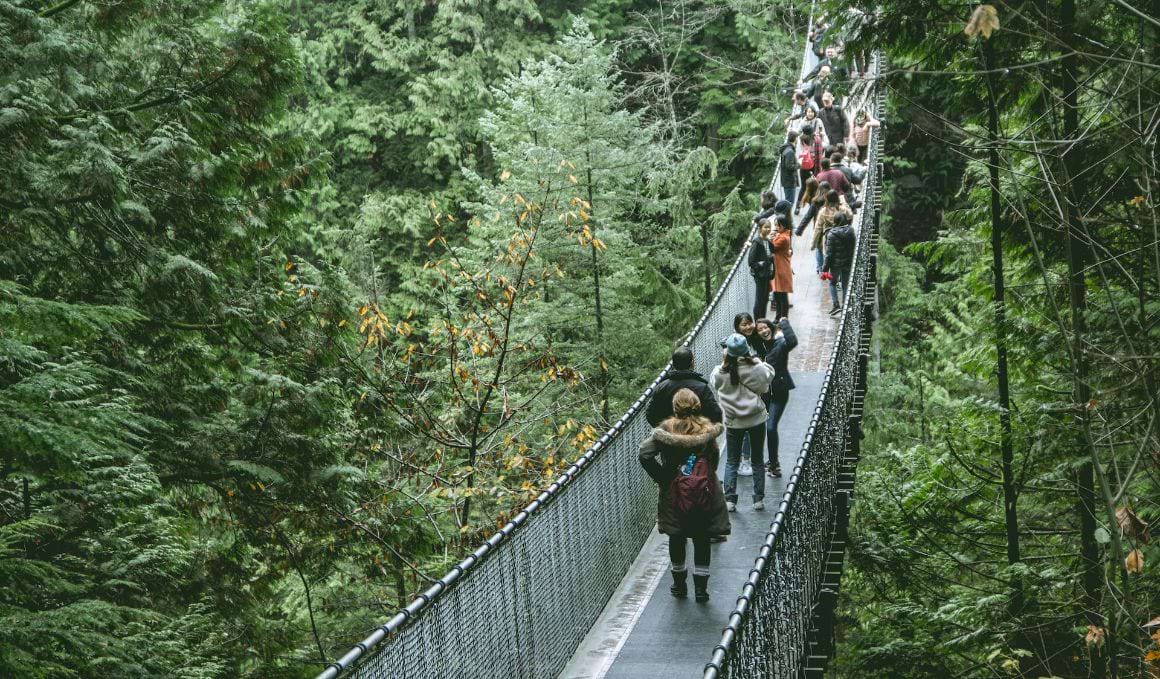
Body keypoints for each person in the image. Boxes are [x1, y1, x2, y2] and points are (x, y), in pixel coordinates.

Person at [638, 388, 729, 603]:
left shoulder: (666, 430)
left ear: (675, 407)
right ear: (697, 405)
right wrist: (704, 475)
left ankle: (679, 586)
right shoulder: (707, 429)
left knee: (677, 536)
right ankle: (701, 589)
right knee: (702, 537)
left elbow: (644, 453)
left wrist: (662, 476)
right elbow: (714, 458)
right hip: (704, 489)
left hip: (674, 489)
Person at [711, 334, 774, 512]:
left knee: (731, 460)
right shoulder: (756, 368)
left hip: (733, 422)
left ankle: (730, 500)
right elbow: (766, 383)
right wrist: (757, 361)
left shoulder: (720, 372)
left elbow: (714, 382)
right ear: (746, 349)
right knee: (757, 460)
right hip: (756, 420)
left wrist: (724, 361)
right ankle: (758, 499)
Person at [646, 346, 724, 426]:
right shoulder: (702, 387)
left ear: (673, 364)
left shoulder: (661, 388)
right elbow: (716, 414)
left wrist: (666, 430)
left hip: (670, 436)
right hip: (697, 435)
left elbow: (651, 415)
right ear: (692, 363)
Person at [760, 317, 797, 479]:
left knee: (771, 427)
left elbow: (792, 341)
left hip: (779, 392)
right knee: (760, 428)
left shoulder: (781, 344)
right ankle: (767, 460)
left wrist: (783, 323)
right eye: (759, 330)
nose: (763, 331)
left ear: (771, 328)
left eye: (765, 328)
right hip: (764, 393)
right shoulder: (758, 346)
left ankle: (775, 465)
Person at [812, 190, 853, 290]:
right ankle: (839, 281)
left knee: (831, 257)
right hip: (843, 236)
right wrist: (844, 204)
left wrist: (814, 243)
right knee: (841, 256)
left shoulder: (823, 211)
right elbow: (850, 215)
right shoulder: (841, 209)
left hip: (829, 237)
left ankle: (834, 279)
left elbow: (818, 228)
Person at [822, 211, 856, 315]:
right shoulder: (851, 231)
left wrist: (824, 269)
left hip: (835, 265)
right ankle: (846, 307)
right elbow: (853, 247)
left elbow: (829, 254)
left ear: (835, 221)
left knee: (832, 283)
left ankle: (836, 305)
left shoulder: (831, 234)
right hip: (847, 262)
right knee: (845, 285)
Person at [748, 219, 773, 320]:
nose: (768, 229)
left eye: (769, 227)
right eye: (765, 227)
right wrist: (762, 264)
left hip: (767, 274)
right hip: (760, 275)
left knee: (765, 298)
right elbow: (751, 262)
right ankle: (758, 321)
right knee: (759, 299)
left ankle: (763, 320)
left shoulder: (767, 241)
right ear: (759, 229)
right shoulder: (757, 242)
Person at [770, 214, 793, 320]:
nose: (776, 228)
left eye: (777, 226)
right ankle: (779, 316)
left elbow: (772, 248)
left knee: (782, 295)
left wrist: (768, 238)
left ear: (783, 226)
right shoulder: (783, 235)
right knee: (778, 294)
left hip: (781, 268)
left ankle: (783, 317)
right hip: (779, 267)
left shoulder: (783, 238)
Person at [778, 131, 799, 209]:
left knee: (788, 201)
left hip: (787, 179)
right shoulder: (790, 151)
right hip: (789, 180)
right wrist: (799, 164)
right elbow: (789, 167)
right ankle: (786, 219)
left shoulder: (786, 149)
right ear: (795, 139)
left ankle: (786, 219)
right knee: (790, 202)